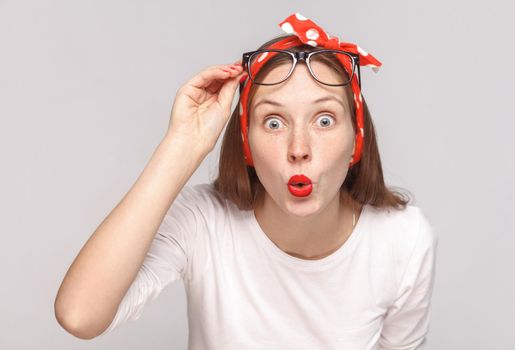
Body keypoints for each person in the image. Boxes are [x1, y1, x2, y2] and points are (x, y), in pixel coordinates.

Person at [54, 12, 438, 350]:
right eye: (274, 122)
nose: (298, 148)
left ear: (357, 140)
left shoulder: (403, 241)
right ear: (247, 146)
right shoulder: (204, 222)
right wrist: (182, 145)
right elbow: (79, 314)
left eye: (324, 120)